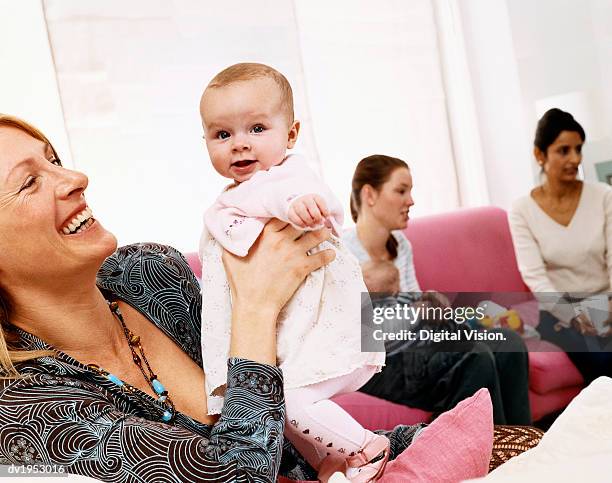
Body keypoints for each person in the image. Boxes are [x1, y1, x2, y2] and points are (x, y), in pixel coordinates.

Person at [0, 115, 423, 482]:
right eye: (29, 182)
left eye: (54, 159)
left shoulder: (148, 272)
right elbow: (235, 474)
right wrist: (256, 306)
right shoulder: (23, 410)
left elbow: (292, 416)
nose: (76, 179)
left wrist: (406, 443)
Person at [198, 63, 387, 482]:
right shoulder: (232, 197)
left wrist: (297, 205)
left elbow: (287, 194)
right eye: (222, 134)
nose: (239, 144)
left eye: (257, 128)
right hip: (287, 331)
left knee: (293, 402)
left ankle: (367, 448)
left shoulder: (287, 178)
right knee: (275, 410)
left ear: (292, 134)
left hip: (323, 325)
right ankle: (331, 464)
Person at [345, 154, 532, 425]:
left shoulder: (400, 245)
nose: (410, 200)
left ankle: (521, 447)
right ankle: (490, 458)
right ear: (370, 195)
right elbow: (363, 335)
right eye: (401, 191)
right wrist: (417, 314)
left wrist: (432, 307)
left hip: (415, 342)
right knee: (474, 356)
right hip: (376, 360)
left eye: (410, 191)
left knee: (509, 344)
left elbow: (414, 304)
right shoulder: (344, 255)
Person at [509, 107, 612, 384]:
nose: (575, 159)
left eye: (578, 149)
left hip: (608, 303)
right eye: (563, 150)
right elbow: (535, 278)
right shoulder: (522, 211)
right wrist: (575, 315)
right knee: (604, 361)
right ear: (540, 155)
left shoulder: (603, 196)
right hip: (561, 313)